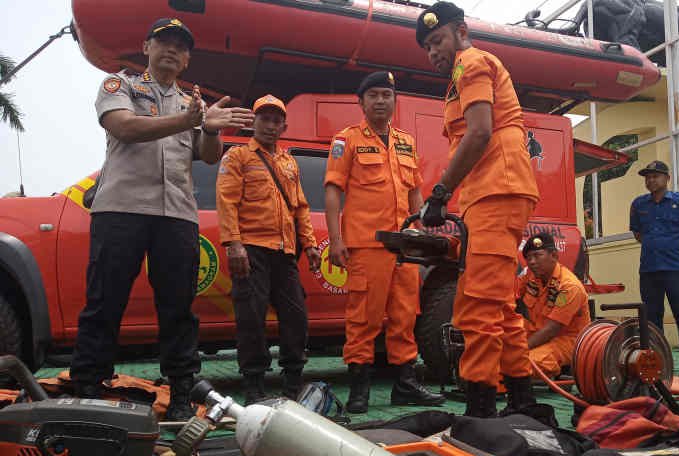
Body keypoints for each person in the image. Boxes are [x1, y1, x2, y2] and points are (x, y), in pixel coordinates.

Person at [69, 18, 254, 420]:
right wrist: (188, 121)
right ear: (146, 46)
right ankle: (89, 384)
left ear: (187, 60)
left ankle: (182, 391)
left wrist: (207, 128)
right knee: (106, 300)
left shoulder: (193, 103)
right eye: (163, 41)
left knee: (178, 307)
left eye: (180, 46)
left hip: (177, 215)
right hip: (121, 210)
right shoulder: (121, 86)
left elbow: (206, 156)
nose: (171, 49)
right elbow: (125, 128)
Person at [416, 2, 540, 417]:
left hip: (496, 191)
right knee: (501, 304)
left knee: (477, 305)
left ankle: (481, 408)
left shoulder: (470, 64)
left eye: (437, 41)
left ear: (461, 31)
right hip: (491, 194)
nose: (432, 52)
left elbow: (481, 132)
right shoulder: (461, 74)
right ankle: (522, 399)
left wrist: (439, 193)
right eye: (427, 47)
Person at [324, 71, 445, 414]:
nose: (381, 101)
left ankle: (405, 384)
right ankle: (359, 387)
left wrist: (419, 231)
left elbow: (414, 190)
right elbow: (333, 189)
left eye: (387, 95)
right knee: (364, 317)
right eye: (373, 95)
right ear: (361, 102)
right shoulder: (345, 140)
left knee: (405, 316)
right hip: (367, 245)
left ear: (395, 101)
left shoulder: (406, 141)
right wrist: (336, 239)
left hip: (404, 247)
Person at [216, 94, 321, 404]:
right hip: (251, 250)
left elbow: (300, 207)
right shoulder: (237, 157)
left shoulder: (289, 162)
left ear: (284, 125)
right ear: (254, 121)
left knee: (296, 318)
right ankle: (254, 386)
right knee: (251, 318)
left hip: (285, 252)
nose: (271, 125)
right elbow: (227, 202)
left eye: (277, 120)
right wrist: (233, 244)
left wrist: (311, 245)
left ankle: (292, 384)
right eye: (265, 118)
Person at [629, 160, 679, 378]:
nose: (651, 180)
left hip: (675, 269)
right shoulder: (638, 205)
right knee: (652, 320)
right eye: (647, 177)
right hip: (649, 270)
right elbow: (638, 234)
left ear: (667, 178)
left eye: (655, 176)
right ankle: (656, 364)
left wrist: (673, 247)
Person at [517, 234, 591, 380]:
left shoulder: (568, 287)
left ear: (554, 255)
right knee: (495, 342)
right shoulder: (531, 276)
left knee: (523, 362)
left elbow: (552, 329)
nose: (532, 262)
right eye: (529, 258)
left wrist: (519, 349)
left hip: (566, 340)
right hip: (536, 332)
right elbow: (510, 294)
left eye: (537, 256)